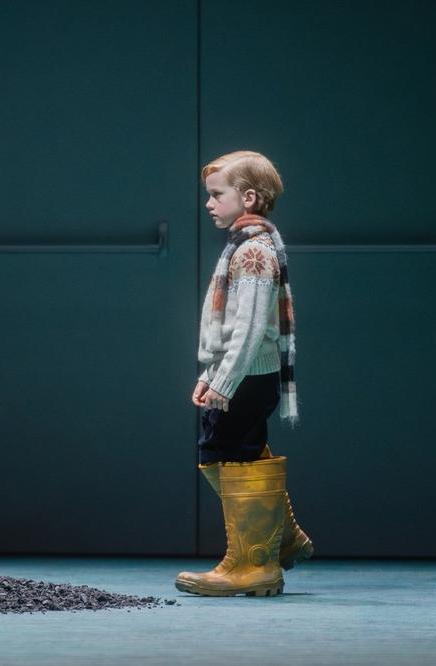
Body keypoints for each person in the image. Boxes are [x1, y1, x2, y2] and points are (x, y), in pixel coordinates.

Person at [175, 150, 313, 596]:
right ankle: (282, 539)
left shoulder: (253, 252)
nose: (209, 203)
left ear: (248, 197)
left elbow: (251, 329)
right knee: (238, 454)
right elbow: (231, 325)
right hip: (242, 374)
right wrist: (210, 372)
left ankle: (254, 564)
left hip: (248, 377)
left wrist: (225, 381)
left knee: (226, 453)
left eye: (217, 195)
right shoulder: (244, 246)